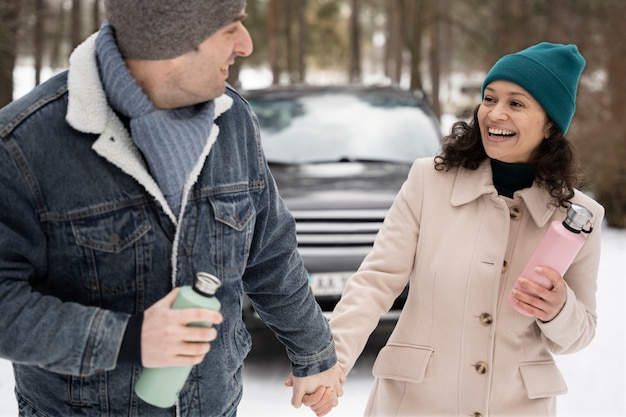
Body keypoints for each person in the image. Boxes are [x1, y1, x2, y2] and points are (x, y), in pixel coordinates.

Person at [0, 1, 344, 416]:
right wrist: (128, 339)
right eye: (231, 28)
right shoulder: (22, 146)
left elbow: (269, 249)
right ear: (174, 36)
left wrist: (314, 350)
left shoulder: (232, 121)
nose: (246, 45)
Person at [326, 42, 604, 416]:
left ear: (551, 124)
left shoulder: (579, 216)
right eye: (489, 99)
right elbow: (375, 281)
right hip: (416, 404)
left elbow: (580, 332)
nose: (494, 114)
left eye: (516, 104)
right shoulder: (429, 181)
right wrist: (331, 362)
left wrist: (558, 309)